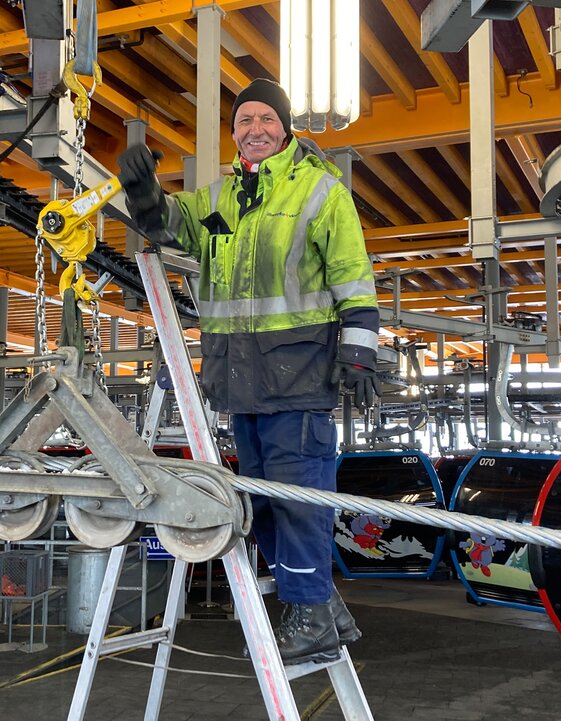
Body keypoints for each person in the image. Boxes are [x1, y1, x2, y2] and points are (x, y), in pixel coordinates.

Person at [118, 78, 380, 665]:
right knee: (260, 505)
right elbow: (167, 226)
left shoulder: (320, 192)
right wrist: (142, 191)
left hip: (300, 380)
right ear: (233, 132)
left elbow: (355, 282)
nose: (255, 129)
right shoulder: (219, 198)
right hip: (241, 384)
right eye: (244, 121)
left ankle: (309, 614)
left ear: (284, 128)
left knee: (299, 500)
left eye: (266, 119)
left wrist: (360, 353)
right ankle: (320, 604)